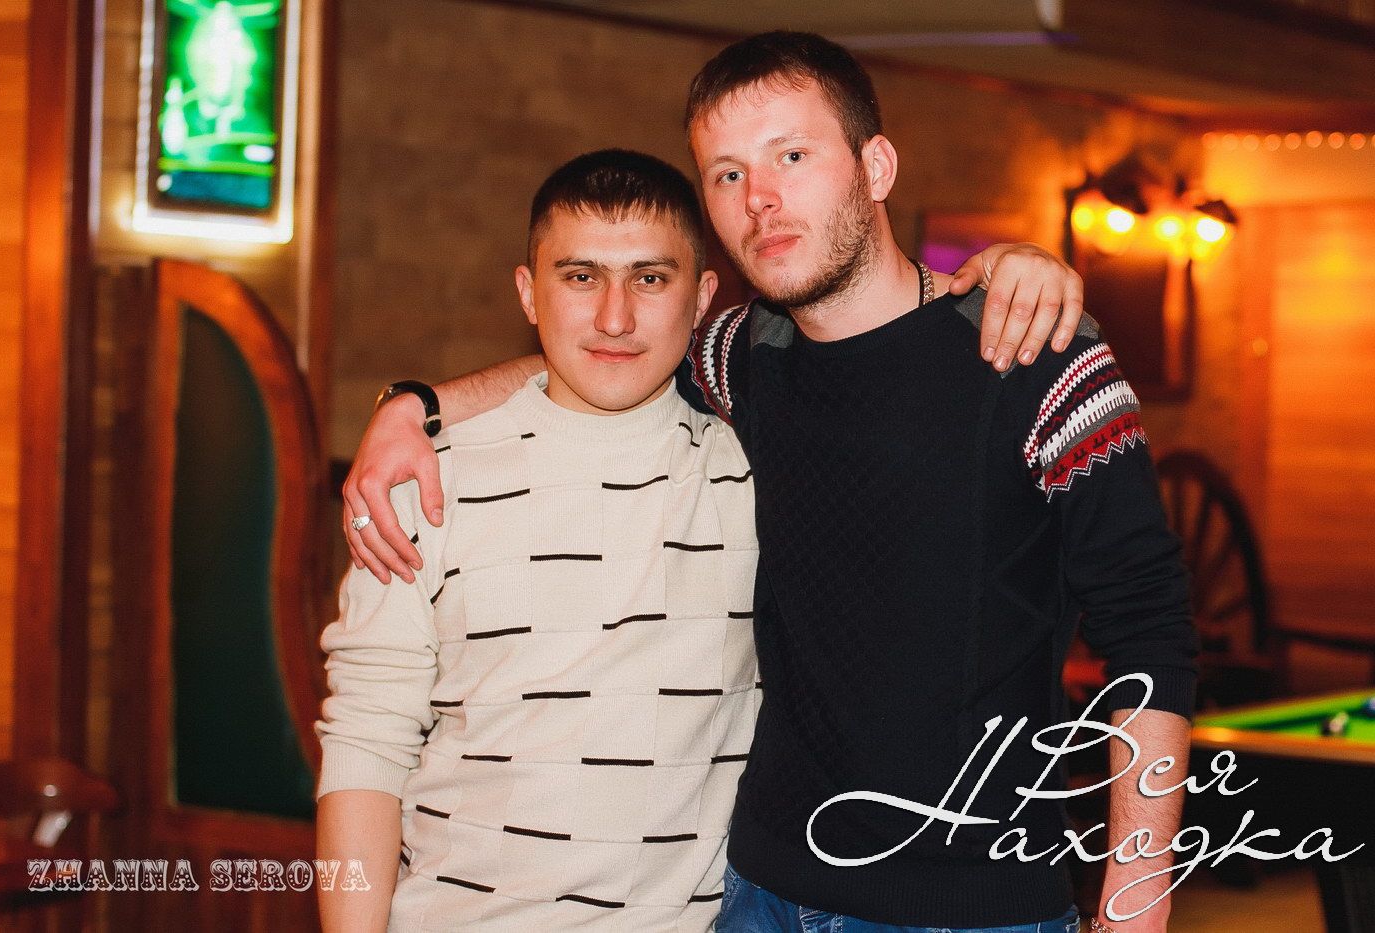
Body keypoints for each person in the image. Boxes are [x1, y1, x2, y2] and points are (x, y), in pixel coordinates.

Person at [340, 33, 1190, 933]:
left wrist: (1135, 905)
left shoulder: (1034, 354)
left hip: (965, 910)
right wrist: (416, 405)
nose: (760, 199)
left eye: (791, 155)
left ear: (876, 166)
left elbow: (1150, 633)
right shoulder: (743, 357)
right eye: (728, 173)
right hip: (757, 893)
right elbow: (603, 351)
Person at [316, 150, 759, 931]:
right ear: (528, 291)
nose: (614, 317)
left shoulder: (760, 482)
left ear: (701, 299)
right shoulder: (422, 480)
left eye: (650, 278)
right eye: (580, 277)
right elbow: (365, 741)